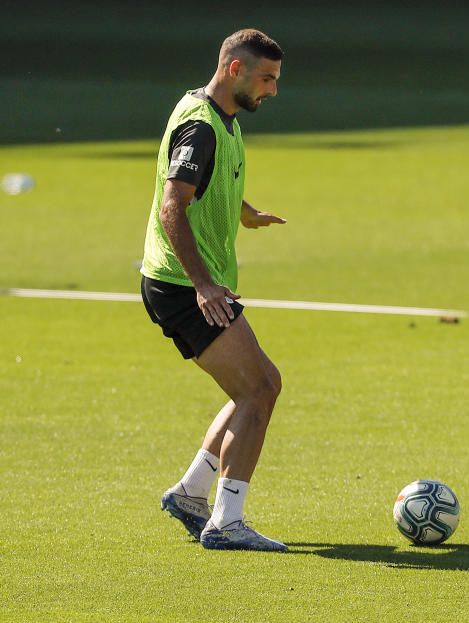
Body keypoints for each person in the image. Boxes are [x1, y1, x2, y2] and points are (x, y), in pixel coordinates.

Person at [140, 29, 288, 551]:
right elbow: (172, 205)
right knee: (262, 388)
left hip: (189, 282)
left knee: (251, 388)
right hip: (184, 284)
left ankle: (191, 493)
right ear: (234, 70)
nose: (272, 89)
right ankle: (225, 521)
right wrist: (203, 284)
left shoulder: (218, 118)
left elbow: (209, 180)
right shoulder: (201, 127)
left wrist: (246, 214)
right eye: (266, 79)